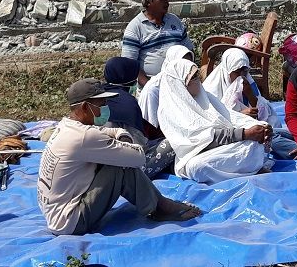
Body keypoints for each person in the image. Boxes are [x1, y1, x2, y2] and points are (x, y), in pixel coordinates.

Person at [37, 78, 201, 235]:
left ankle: (159, 203)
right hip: (71, 221)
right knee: (120, 167)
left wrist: (121, 135)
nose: (105, 108)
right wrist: (125, 142)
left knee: (116, 158)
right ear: (86, 108)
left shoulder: (68, 127)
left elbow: (108, 132)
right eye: (101, 105)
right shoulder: (83, 137)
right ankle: (159, 207)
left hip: (55, 215)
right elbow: (138, 158)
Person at [157, 59, 273, 184]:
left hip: (227, 146)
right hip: (197, 154)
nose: (198, 80)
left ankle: (246, 168)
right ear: (179, 84)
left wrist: (259, 127)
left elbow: (231, 117)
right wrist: (244, 134)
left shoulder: (205, 96)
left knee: (256, 139)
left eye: (197, 76)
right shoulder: (169, 110)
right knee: (196, 167)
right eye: (193, 77)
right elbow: (201, 140)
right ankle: (250, 169)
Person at [103, 57, 176, 179]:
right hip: (126, 173)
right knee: (173, 143)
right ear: (128, 78)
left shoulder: (99, 94)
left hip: (99, 168)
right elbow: (139, 148)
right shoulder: (127, 103)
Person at [121, 0, 194, 87]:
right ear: (148, 2)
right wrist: (150, 87)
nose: (167, 2)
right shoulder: (135, 27)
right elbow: (130, 65)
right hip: (152, 86)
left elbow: (189, 50)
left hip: (179, 83)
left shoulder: (174, 21)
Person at [203, 48, 280, 128]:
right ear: (227, 71)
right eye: (237, 72)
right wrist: (240, 115)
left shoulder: (247, 81)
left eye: (244, 71)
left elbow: (261, 109)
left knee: (273, 120)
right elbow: (212, 117)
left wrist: (250, 94)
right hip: (227, 128)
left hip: (247, 124)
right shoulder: (211, 89)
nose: (241, 76)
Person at [138, 45, 194, 128]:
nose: (185, 68)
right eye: (181, 64)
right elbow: (151, 126)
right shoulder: (154, 90)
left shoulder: (188, 82)